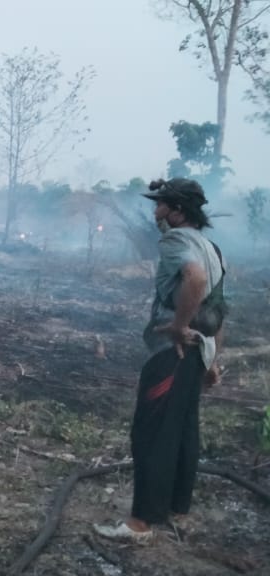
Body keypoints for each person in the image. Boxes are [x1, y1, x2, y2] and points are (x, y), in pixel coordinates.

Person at [94, 178, 227, 543]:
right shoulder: (213, 248)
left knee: (151, 432)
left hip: (173, 354)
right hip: (197, 354)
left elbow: (195, 280)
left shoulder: (176, 241)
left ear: (178, 210)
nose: (156, 213)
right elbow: (218, 310)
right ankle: (177, 511)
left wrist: (176, 326)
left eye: (161, 205)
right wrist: (212, 361)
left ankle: (141, 523)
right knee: (183, 429)